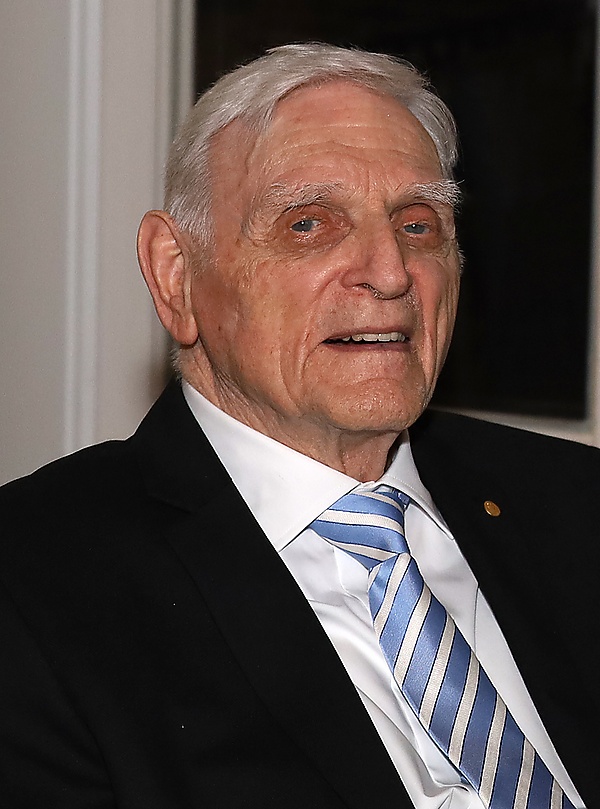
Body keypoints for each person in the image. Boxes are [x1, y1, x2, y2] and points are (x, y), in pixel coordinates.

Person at [0, 43, 596, 809]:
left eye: (418, 225)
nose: (390, 272)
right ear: (176, 276)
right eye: (309, 223)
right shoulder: (36, 585)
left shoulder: (577, 504)